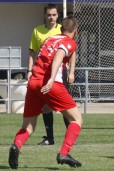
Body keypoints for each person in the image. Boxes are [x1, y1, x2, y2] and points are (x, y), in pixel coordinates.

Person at [8, 15, 83, 169]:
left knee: (28, 126)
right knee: (76, 119)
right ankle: (64, 152)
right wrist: (51, 79)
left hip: (33, 83)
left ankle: (16, 146)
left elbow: (40, 57)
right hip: (51, 83)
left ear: (61, 29)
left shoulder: (49, 39)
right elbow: (58, 56)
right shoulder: (69, 42)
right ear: (75, 31)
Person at [27, 3, 73, 145]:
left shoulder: (62, 29)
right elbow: (32, 52)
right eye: (49, 15)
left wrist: (71, 71)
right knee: (45, 106)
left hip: (60, 73)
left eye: (54, 15)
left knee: (65, 105)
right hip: (42, 74)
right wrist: (29, 71)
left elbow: (72, 50)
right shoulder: (37, 31)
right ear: (44, 15)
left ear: (58, 15)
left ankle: (70, 136)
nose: (51, 17)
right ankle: (50, 138)